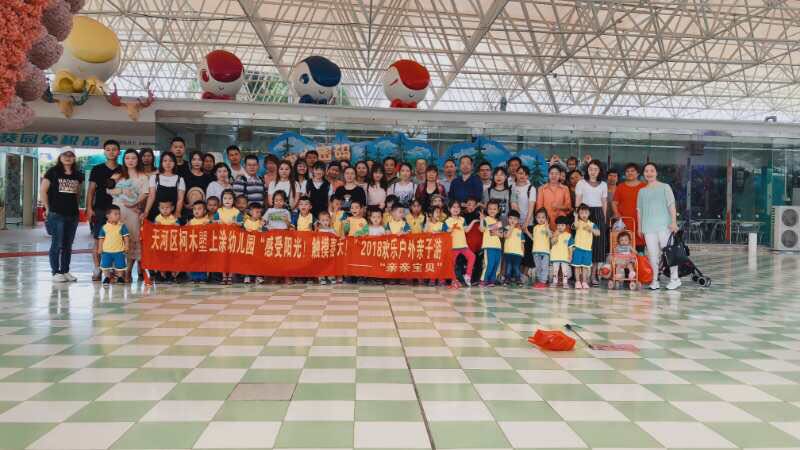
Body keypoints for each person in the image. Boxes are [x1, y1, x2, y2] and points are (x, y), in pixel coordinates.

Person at [40, 147, 83, 282]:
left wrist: (76, 208)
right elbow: (43, 191)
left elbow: (77, 193)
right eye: (65, 155)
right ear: (60, 157)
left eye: (71, 155)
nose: (68, 157)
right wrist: (47, 208)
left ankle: (65, 271)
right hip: (56, 213)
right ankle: (55, 272)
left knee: (68, 245)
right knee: (57, 244)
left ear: (74, 158)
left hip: (73, 214)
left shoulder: (78, 174)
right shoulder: (52, 172)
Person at [637, 162, 681, 290]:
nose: (649, 173)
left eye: (652, 170)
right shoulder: (642, 191)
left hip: (664, 226)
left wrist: (674, 222)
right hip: (648, 228)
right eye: (646, 171)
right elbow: (639, 211)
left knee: (669, 252)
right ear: (643, 174)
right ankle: (654, 280)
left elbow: (671, 205)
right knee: (653, 255)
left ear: (656, 173)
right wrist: (640, 227)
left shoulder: (665, 187)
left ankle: (675, 279)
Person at [108, 149, 149, 282]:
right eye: (127, 158)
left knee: (132, 239)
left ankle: (128, 271)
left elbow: (145, 193)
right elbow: (109, 189)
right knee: (117, 240)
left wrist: (134, 203)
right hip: (117, 211)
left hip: (134, 211)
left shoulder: (143, 176)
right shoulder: (118, 175)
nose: (130, 161)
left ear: (138, 160)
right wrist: (121, 190)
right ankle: (118, 272)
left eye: (133, 158)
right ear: (124, 160)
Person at [86, 139, 121, 280]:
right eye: (108, 149)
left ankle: (111, 269)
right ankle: (97, 269)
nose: (111, 152)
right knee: (98, 240)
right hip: (100, 209)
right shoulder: (97, 169)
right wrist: (89, 208)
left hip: (117, 211)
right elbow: (91, 190)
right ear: (104, 152)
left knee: (115, 240)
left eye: (114, 149)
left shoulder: (123, 170)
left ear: (119, 152)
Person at [575, 160, 608, 285]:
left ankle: (593, 276)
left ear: (599, 171)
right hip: (584, 214)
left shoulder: (603, 184)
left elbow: (604, 202)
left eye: (595, 169)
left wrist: (604, 218)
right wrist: (577, 217)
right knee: (583, 244)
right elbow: (578, 201)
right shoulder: (581, 183)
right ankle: (581, 277)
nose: (593, 171)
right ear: (587, 170)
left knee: (597, 246)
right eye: (590, 169)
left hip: (598, 213)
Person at [143, 152, 185, 223]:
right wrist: (146, 211)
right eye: (165, 161)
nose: (168, 163)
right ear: (161, 163)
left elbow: (180, 199)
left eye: (171, 161)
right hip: (155, 213)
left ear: (174, 163)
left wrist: (177, 212)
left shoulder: (180, 179)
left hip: (172, 215)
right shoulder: (154, 177)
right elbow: (151, 196)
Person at [613, 163, 646, 248]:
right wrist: (617, 214)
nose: (630, 173)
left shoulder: (644, 186)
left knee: (640, 247)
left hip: (640, 221)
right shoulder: (620, 186)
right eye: (627, 171)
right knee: (624, 245)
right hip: (624, 221)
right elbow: (614, 203)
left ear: (638, 173)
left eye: (632, 171)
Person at [445, 200, 476, 289]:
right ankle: (454, 280)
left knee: (472, 256)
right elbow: (445, 232)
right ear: (449, 209)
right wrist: (451, 229)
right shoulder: (447, 221)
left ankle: (468, 276)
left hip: (463, 245)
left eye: (458, 207)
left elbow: (466, 230)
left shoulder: (462, 219)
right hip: (453, 246)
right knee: (452, 264)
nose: (456, 209)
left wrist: (473, 222)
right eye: (454, 207)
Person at [97, 205, 129, 286]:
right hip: (106, 251)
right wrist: (100, 248)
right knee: (105, 265)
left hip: (119, 251)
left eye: (119, 214)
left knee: (120, 265)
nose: (118, 216)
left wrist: (126, 246)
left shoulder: (122, 226)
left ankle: (120, 277)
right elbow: (101, 239)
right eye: (116, 214)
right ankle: (107, 277)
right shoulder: (104, 227)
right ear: (108, 216)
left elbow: (126, 237)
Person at [571, 204, 600, 289]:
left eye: (586, 213)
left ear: (589, 213)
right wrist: (575, 217)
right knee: (577, 266)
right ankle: (577, 282)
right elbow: (575, 226)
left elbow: (598, 233)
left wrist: (591, 229)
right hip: (578, 248)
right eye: (581, 213)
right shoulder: (578, 223)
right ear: (579, 214)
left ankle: (584, 282)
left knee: (585, 267)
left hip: (587, 250)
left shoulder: (591, 224)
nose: (584, 215)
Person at [535, 165, 572, 230]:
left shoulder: (565, 188)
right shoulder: (542, 189)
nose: (554, 176)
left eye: (556, 174)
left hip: (561, 222)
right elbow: (539, 208)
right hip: (546, 221)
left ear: (560, 175)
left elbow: (568, 207)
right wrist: (541, 220)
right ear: (548, 175)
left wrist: (559, 206)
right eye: (551, 173)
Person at [153, 200, 180, 281]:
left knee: (172, 259)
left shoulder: (174, 218)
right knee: (161, 259)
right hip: (161, 243)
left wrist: (176, 225)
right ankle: (162, 274)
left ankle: (173, 275)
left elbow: (179, 228)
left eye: (167, 208)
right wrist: (156, 225)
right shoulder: (157, 218)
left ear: (172, 208)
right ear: (159, 208)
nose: (165, 210)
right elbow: (153, 229)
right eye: (162, 208)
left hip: (172, 243)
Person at [479, 199, 503, 287]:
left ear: (498, 210)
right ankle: (483, 280)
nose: (492, 210)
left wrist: (496, 232)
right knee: (489, 263)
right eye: (490, 209)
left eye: (494, 209)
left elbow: (501, 235)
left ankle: (491, 280)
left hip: (498, 246)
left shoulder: (498, 221)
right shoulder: (486, 219)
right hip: (489, 246)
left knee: (496, 264)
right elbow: (481, 229)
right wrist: (481, 220)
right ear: (487, 209)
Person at [186, 200, 210, 283]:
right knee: (194, 260)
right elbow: (184, 230)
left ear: (204, 211)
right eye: (194, 209)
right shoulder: (191, 222)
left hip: (203, 245)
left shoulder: (206, 221)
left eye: (199, 209)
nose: (196, 211)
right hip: (193, 244)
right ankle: (194, 277)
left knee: (203, 261)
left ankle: (203, 277)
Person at [530, 208, 551, 288]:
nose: (541, 219)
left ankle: (543, 281)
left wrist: (547, 227)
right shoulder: (535, 227)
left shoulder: (546, 227)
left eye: (543, 217)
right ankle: (540, 281)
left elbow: (550, 236)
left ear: (546, 218)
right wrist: (527, 232)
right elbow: (534, 238)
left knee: (544, 267)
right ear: (536, 218)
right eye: (539, 217)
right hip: (535, 251)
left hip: (544, 251)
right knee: (538, 267)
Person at [502, 210, 524, 286]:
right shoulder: (506, 228)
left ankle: (518, 279)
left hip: (518, 253)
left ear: (518, 220)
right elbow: (506, 236)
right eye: (511, 218)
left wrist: (523, 252)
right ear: (508, 219)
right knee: (508, 266)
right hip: (508, 251)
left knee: (516, 266)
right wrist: (511, 227)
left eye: (515, 219)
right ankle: (507, 279)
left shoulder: (520, 231)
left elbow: (522, 242)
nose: (512, 220)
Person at [550, 215, 572, 288]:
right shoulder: (554, 234)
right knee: (555, 270)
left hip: (564, 256)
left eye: (562, 225)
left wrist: (570, 255)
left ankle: (565, 283)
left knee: (565, 271)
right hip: (555, 256)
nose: (560, 227)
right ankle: (554, 282)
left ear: (566, 226)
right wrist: (556, 235)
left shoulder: (568, 235)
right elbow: (552, 243)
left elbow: (570, 247)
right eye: (558, 225)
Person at [316, 211, 337, 285]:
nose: (325, 222)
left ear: (330, 220)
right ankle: (321, 277)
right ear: (319, 221)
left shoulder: (332, 230)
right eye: (323, 220)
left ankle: (330, 276)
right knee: (321, 264)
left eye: (327, 220)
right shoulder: (318, 230)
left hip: (330, 250)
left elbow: (336, 238)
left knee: (330, 263)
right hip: (321, 250)